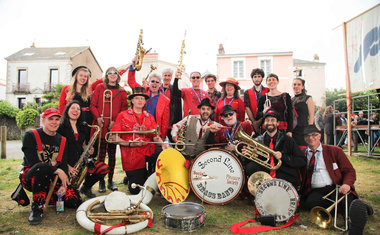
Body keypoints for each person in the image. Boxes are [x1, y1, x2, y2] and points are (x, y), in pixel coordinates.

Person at [301, 125, 373, 235]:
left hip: (336, 187)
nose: (311, 138)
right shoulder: (302, 153)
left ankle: (354, 226)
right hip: (316, 191)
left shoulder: (335, 151)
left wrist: (347, 184)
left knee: (345, 200)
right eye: (307, 136)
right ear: (304, 138)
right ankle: (358, 206)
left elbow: (349, 171)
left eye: (314, 135)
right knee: (311, 204)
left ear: (320, 135)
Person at [19, 108, 81, 225]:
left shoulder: (62, 140)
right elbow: (33, 163)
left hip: (52, 178)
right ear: (43, 120)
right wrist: (57, 170)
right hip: (31, 177)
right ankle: (37, 207)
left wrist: (64, 185)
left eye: (57, 119)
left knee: (74, 201)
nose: (54, 122)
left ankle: (49, 195)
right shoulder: (30, 135)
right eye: (50, 119)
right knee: (41, 168)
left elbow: (63, 164)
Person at [109, 87, 169, 194]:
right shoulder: (123, 115)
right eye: (137, 98)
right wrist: (129, 143)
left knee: (164, 156)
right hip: (132, 154)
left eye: (142, 98)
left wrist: (163, 144)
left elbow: (155, 136)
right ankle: (139, 177)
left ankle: (160, 181)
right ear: (132, 100)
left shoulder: (149, 117)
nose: (140, 101)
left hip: (148, 148)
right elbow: (113, 137)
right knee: (136, 190)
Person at [57, 101, 110, 198]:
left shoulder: (83, 126)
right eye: (73, 108)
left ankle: (86, 187)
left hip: (81, 161)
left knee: (103, 168)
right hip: (66, 164)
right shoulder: (60, 127)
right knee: (73, 198)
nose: (76, 110)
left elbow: (83, 144)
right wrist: (67, 166)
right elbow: (57, 150)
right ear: (67, 110)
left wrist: (89, 149)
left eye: (78, 109)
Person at [245, 109, 306, 190]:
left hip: (284, 176)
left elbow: (302, 161)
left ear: (278, 123)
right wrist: (246, 155)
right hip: (264, 176)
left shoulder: (288, 140)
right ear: (264, 124)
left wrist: (283, 156)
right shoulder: (258, 141)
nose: (270, 123)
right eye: (267, 120)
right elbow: (251, 162)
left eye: (273, 120)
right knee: (250, 166)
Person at [90, 67, 128, 192]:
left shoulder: (122, 91)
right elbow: (93, 105)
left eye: (115, 73)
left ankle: (110, 180)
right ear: (106, 75)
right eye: (110, 73)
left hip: (113, 127)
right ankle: (101, 181)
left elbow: (124, 109)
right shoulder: (100, 87)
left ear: (118, 76)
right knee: (101, 156)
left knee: (112, 156)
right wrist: (98, 118)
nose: (112, 75)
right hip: (101, 126)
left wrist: (115, 121)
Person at [128, 63, 170, 140]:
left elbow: (165, 121)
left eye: (157, 82)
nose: (155, 83)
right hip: (139, 129)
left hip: (154, 133)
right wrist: (132, 67)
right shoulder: (143, 91)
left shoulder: (165, 100)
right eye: (152, 81)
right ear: (149, 83)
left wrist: (162, 137)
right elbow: (131, 82)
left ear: (160, 84)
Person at [58, 66, 93, 140]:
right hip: (71, 117)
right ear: (76, 76)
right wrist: (62, 119)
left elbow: (102, 80)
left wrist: (119, 71)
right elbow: (61, 106)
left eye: (85, 76)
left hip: (86, 118)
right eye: (81, 75)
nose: (83, 78)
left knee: (84, 139)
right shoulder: (67, 89)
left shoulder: (89, 89)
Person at [292, 78, 315, 147]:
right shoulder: (291, 99)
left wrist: (309, 130)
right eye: (294, 84)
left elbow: (311, 115)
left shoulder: (308, 98)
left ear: (302, 86)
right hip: (294, 130)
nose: (296, 86)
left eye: (299, 84)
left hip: (304, 129)